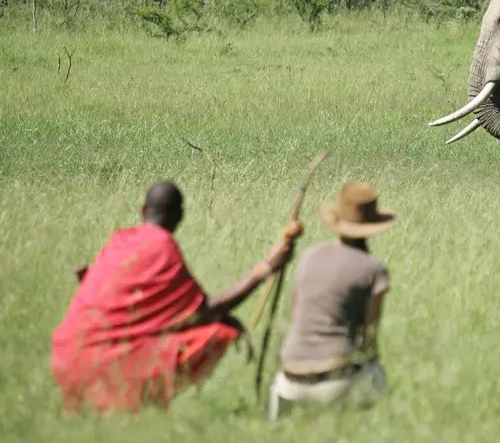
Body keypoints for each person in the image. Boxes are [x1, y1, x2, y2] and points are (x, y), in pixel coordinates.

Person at [50, 180, 303, 414]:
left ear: (142, 210)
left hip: (65, 355)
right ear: (180, 216)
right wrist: (265, 269)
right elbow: (201, 312)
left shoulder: (119, 240)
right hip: (102, 364)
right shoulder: (162, 246)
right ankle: (146, 402)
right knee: (218, 331)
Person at [268, 182, 395, 421]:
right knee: (378, 377)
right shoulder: (374, 269)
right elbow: (370, 344)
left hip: (288, 382)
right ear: (374, 226)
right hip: (336, 385)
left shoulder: (308, 257)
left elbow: (295, 317)